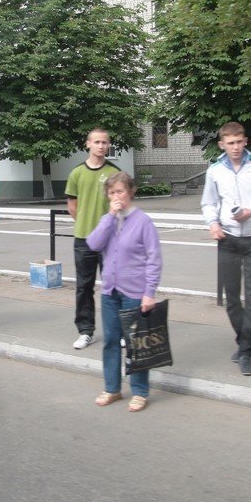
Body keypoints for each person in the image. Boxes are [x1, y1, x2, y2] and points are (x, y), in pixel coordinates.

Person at [200, 121, 251, 376]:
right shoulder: (215, 170)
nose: (235, 147)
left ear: (246, 141)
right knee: (232, 299)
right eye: (230, 143)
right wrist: (213, 224)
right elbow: (209, 203)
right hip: (228, 240)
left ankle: (245, 351)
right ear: (222, 144)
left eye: (239, 141)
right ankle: (244, 341)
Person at [86, 172, 162, 413]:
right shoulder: (107, 219)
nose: (116, 196)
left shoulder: (143, 221)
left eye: (120, 191)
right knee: (110, 341)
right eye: (111, 193)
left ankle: (139, 391)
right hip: (110, 291)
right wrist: (110, 216)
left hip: (134, 291)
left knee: (135, 344)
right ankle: (112, 388)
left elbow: (154, 259)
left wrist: (149, 293)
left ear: (131, 191)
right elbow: (93, 244)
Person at [65, 127, 122, 350]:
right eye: (97, 142)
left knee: (115, 286)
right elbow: (72, 207)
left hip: (111, 242)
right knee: (84, 287)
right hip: (84, 240)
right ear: (88, 144)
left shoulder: (115, 172)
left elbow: (122, 205)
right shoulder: (77, 173)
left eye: (105, 142)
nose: (101, 146)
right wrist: (90, 228)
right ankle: (86, 331)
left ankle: (118, 331)